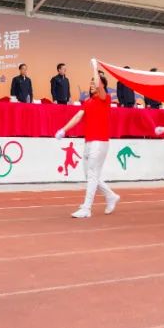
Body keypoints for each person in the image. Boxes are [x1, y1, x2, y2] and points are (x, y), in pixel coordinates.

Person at [55, 59, 120, 218]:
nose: (92, 84)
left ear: (102, 86)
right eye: (91, 82)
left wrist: (95, 68)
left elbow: (99, 85)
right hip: (89, 142)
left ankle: (86, 208)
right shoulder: (88, 102)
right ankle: (111, 196)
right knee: (90, 175)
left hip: (100, 142)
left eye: (95, 82)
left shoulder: (105, 99)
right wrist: (64, 129)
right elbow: (78, 117)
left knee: (91, 175)